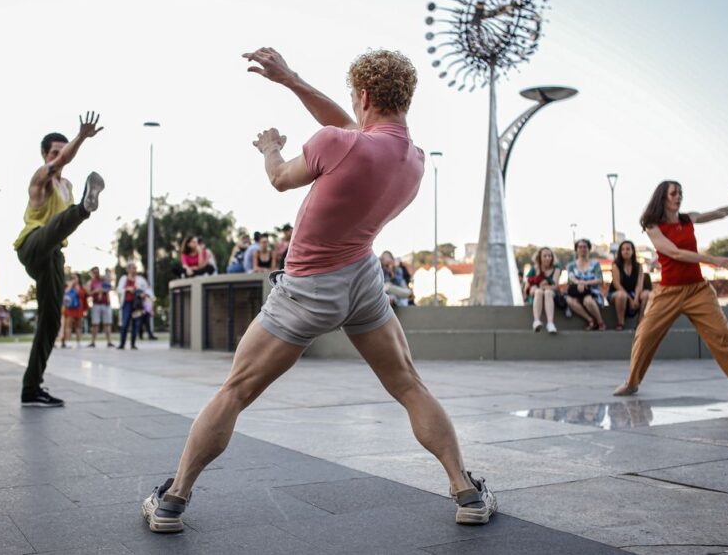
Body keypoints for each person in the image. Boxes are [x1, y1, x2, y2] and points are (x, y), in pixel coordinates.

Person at [142, 47, 495, 533]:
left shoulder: (337, 143)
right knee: (408, 385)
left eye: (354, 96)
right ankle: (467, 492)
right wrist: (292, 80)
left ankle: (172, 500)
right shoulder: (413, 160)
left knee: (236, 391)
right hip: (363, 282)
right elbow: (354, 133)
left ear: (364, 96)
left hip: (308, 288)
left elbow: (281, 178)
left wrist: (268, 145)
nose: (350, 104)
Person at [613, 180, 728, 405]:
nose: (678, 197)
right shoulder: (653, 226)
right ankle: (632, 382)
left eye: (680, 193)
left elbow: (717, 213)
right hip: (668, 292)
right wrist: (713, 260)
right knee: (645, 335)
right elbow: (675, 253)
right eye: (673, 194)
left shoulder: (688, 218)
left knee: (725, 335)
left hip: (698, 291)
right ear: (663, 198)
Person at [14, 112, 104, 407]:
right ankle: (85, 209)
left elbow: (65, 162)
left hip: (53, 256)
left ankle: (31, 388)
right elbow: (60, 162)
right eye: (54, 152)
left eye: (61, 151)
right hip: (33, 244)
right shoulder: (42, 180)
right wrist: (81, 137)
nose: (60, 156)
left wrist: (76, 142)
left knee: (51, 321)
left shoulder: (66, 187)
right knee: (56, 226)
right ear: (45, 154)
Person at [608, 240, 652, 330]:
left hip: (633, 293)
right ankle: (620, 322)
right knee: (621, 295)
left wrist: (636, 298)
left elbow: (639, 285)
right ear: (620, 252)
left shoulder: (638, 266)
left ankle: (640, 321)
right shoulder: (616, 265)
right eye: (623, 249)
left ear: (633, 251)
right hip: (617, 293)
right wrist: (631, 300)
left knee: (647, 293)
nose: (625, 251)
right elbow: (617, 285)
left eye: (628, 249)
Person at [565, 239, 606, 331]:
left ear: (588, 249)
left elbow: (599, 280)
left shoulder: (595, 264)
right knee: (569, 300)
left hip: (592, 292)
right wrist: (579, 283)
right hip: (577, 292)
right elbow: (571, 278)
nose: (582, 249)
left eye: (585, 247)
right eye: (580, 247)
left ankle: (600, 322)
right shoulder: (571, 265)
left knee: (588, 300)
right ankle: (590, 320)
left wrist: (584, 283)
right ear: (576, 250)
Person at [523, 247, 563, 334]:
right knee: (538, 292)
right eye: (545, 256)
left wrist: (543, 287)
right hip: (537, 295)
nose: (548, 258)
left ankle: (550, 323)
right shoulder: (535, 268)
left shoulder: (556, 268)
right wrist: (531, 289)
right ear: (540, 258)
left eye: (549, 256)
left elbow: (555, 286)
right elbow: (527, 287)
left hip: (551, 294)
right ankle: (536, 321)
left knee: (547, 292)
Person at [87, 267, 114, 348]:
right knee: (95, 324)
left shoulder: (104, 280)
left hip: (106, 304)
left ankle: (109, 342)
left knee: (107, 323)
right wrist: (96, 291)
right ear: (92, 273)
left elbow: (110, 287)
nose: (96, 273)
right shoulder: (91, 282)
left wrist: (103, 290)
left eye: (97, 272)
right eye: (94, 272)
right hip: (96, 304)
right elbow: (88, 293)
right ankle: (93, 342)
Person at [61, 274, 88, 348]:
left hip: (79, 309)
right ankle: (68, 341)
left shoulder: (81, 287)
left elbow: (84, 296)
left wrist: (85, 309)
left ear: (78, 278)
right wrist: (70, 285)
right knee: (68, 326)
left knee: (79, 326)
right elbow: (65, 293)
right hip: (70, 309)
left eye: (75, 278)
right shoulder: (68, 285)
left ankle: (79, 342)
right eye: (72, 278)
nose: (73, 279)